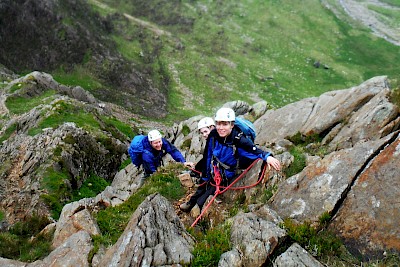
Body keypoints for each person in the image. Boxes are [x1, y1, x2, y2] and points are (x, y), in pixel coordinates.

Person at [180, 107, 281, 212]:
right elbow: (207, 154)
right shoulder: (213, 134)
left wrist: (267, 157)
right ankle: (191, 202)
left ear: (232, 125)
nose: (221, 127)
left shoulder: (238, 140)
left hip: (225, 176)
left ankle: (197, 209)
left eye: (225, 124)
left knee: (202, 200)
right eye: (218, 124)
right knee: (202, 185)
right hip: (214, 168)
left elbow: (254, 151)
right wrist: (205, 175)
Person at [128, 129, 193, 186]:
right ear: (150, 143)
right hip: (148, 163)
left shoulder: (162, 141)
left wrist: (183, 162)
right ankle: (140, 190)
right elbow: (152, 171)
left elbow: (173, 151)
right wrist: (160, 177)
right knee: (147, 175)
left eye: (159, 142)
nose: (159, 144)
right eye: (155, 143)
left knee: (158, 167)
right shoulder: (146, 155)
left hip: (156, 156)